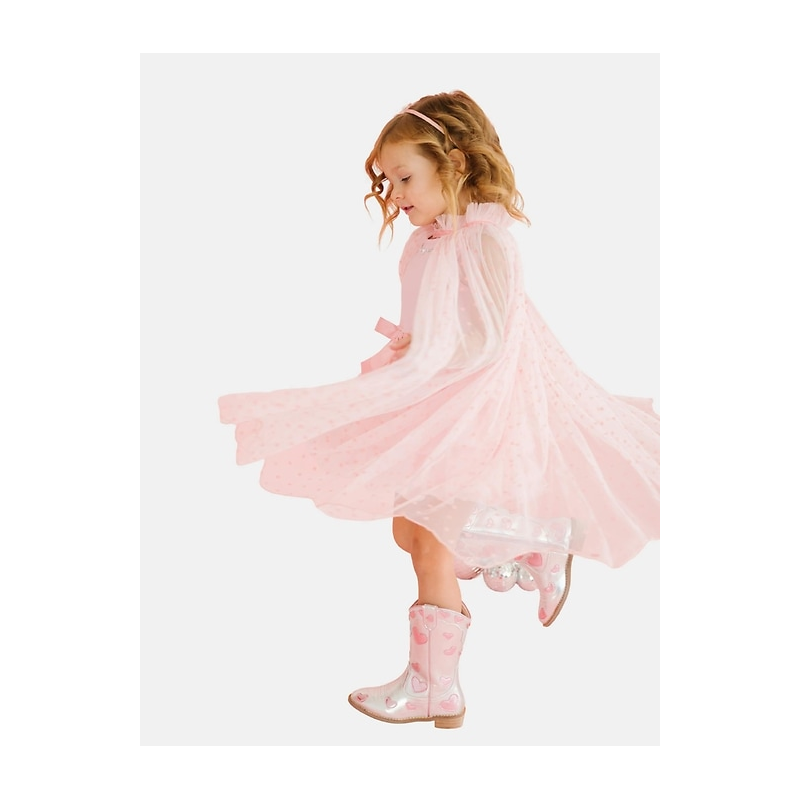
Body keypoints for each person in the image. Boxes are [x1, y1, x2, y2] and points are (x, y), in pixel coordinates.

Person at [218, 90, 660, 730]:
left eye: (406, 177)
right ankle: (535, 544)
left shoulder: (487, 241)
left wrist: (423, 359)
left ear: (453, 163)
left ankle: (436, 689)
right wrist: (407, 355)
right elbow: (427, 321)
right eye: (389, 180)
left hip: (473, 410)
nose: (395, 193)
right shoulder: (424, 242)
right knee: (408, 534)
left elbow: (490, 341)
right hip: (426, 400)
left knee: (429, 541)